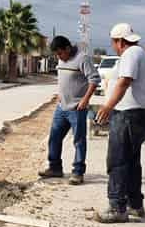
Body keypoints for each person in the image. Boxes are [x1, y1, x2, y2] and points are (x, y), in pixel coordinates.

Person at [94, 23, 145, 223]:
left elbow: (124, 81)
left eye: (113, 43)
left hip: (128, 114)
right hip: (139, 114)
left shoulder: (130, 54)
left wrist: (108, 106)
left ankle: (117, 207)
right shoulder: (141, 53)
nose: (113, 46)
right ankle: (135, 204)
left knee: (118, 161)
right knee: (131, 162)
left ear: (119, 41)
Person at [38, 36, 101, 185]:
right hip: (61, 107)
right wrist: (60, 95)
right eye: (56, 54)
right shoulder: (61, 59)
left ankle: (78, 172)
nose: (58, 57)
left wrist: (85, 100)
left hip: (77, 108)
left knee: (78, 140)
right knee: (54, 137)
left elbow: (94, 80)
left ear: (67, 48)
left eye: (60, 53)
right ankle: (54, 167)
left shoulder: (82, 58)